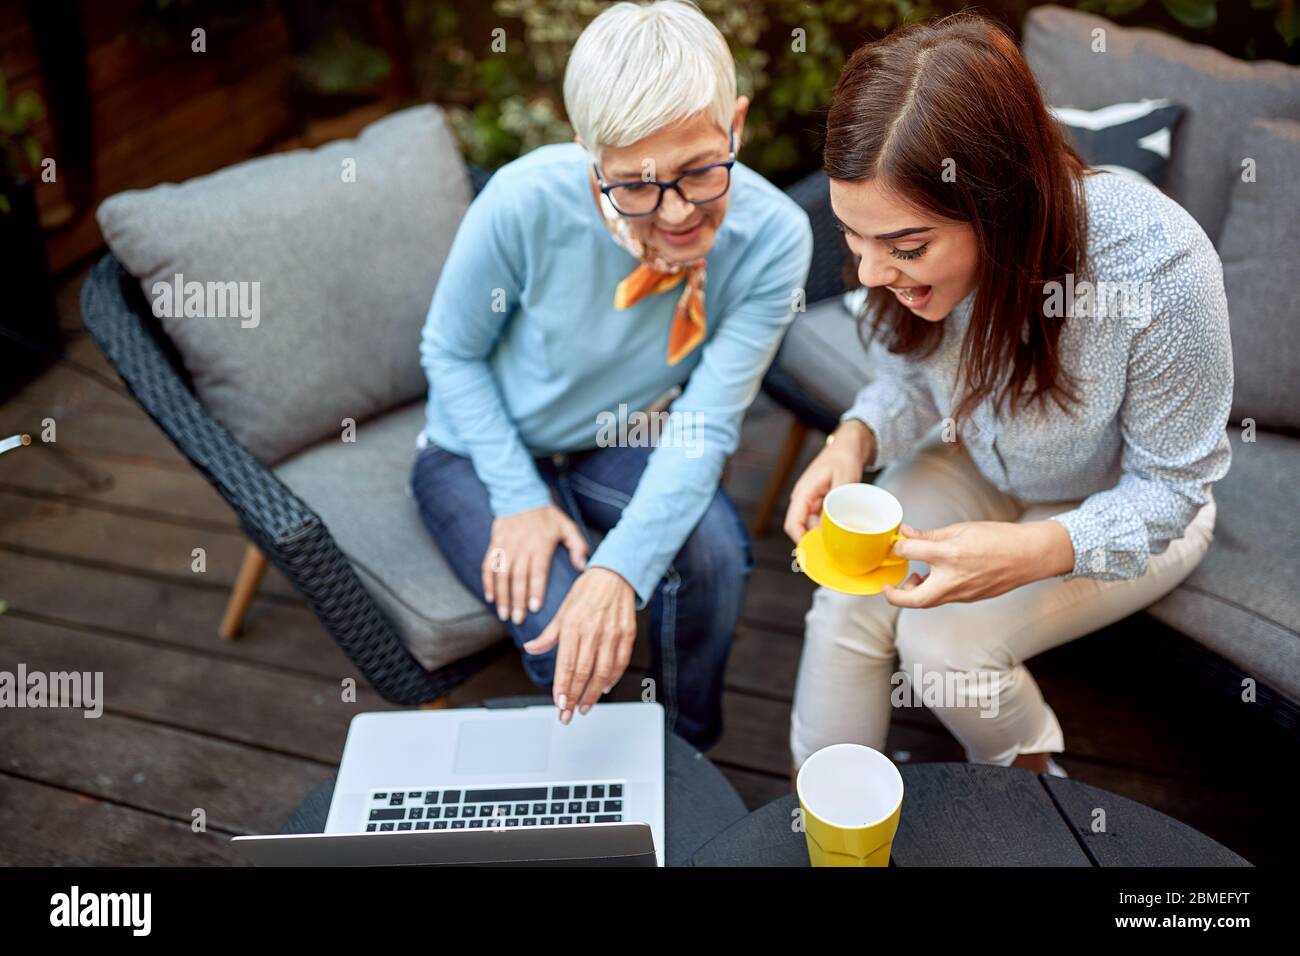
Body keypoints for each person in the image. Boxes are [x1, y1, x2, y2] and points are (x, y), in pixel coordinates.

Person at [784, 14, 1232, 774]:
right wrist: (851, 441)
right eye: (855, 240)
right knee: (849, 590)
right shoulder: (901, 265)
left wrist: (1035, 551)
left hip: (1125, 500)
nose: (867, 276)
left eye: (906, 247)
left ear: (999, 200)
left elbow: (1172, 488)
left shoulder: (1162, 268)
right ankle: (824, 822)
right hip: (976, 458)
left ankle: (1042, 809)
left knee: (945, 647)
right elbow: (907, 380)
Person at [413, 0, 813, 750]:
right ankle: (595, 770)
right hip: (476, 448)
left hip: (619, 436)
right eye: (634, 184)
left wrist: (620, 571)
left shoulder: (774, 239)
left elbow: (705, 423)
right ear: (586, 152)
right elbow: (450, 352)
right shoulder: (523, 201)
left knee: (720, 557)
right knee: (565, 639)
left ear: (737, 124)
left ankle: (685, 746)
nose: (677, 216)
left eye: (701, 170)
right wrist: (519, 497)